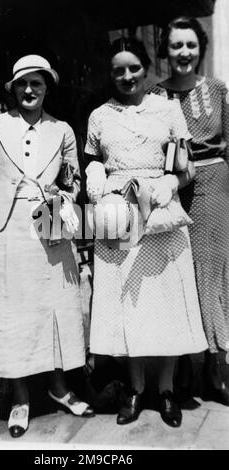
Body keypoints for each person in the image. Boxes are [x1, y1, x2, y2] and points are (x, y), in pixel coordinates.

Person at [84, 37, 208, 428]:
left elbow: (187, 167)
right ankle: (137, 390)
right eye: (118, 70)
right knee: (129, 307)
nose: (126, 76)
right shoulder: (99, 116)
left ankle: (167, 390)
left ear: (147, 69)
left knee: (167, 303)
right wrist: (95, 175)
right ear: (110, 74)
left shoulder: (168, 110)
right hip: (119, 214)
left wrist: (171, 183)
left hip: (161, 214)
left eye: (133, 68)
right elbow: (93, 163)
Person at [0, 54, 94, 438]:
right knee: (15, 311)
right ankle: (20, 398)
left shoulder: (62, 130)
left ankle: (60, 387)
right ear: (13, 88)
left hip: (49, 220)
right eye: (22, 84)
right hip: (11, 227)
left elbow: (75, 178)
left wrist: (63, 193)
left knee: (57, 306)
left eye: (37, 83)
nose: (29, 90)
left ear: (48, 87)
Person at [150, 16, 229, 406]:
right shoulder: (154, 96)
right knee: (178, 275)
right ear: (166, 51)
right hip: (174, 189)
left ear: (201, 48)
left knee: (214, 275)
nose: (184, 53)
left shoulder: (217, 90)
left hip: (215, 187)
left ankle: (216, 370)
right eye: (176, 45)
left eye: (191, 45)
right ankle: (180, 371)